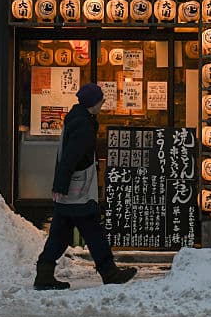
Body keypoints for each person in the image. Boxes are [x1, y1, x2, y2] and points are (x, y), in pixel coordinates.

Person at [34, 83, 137, 290]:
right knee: (93, 231)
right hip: (77, 190)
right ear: (93, 102)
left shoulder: (78, 118)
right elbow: (71, 157)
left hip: (71, 190)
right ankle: (109, 272)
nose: (103, 103)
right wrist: (61, 185)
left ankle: (44, 274)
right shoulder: (83, 124)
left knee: (60, 234)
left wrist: (60, 185)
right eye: (101, 100)